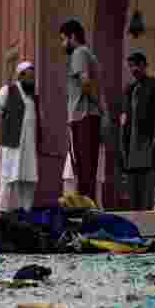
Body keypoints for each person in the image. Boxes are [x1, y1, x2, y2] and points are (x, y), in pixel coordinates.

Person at [60, 19, 104, 201]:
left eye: (63, 39)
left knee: (84, 170)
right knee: (89, 169)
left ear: (73, 36)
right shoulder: (88, 54)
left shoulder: (78, 53)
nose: (62, 44)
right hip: (88, 117)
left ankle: (86, 213)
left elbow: (85, 83)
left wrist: (100, 108)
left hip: (83, 117)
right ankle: (89, 210)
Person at [120, 50, 155, 211]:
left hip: (148, 141)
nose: (134, 69)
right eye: (131, 66)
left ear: (144, 66)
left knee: (148, 180)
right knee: (133, 184)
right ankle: (135, 216)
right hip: (131, 145)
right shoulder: (130, 88)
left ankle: (149, 213)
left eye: (137, 65)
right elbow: (125, 115)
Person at [0, 61, 42, 212]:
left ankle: (25, 211)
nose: (33, 80)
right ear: (21, 76)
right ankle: (4, 210)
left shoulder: (34, 97)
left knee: (28, 179)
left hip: (29, 147)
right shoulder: (7, 90)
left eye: (34, 77)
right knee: (8, 177)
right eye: (30, 76)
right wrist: (8, 130)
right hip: (12, 144)